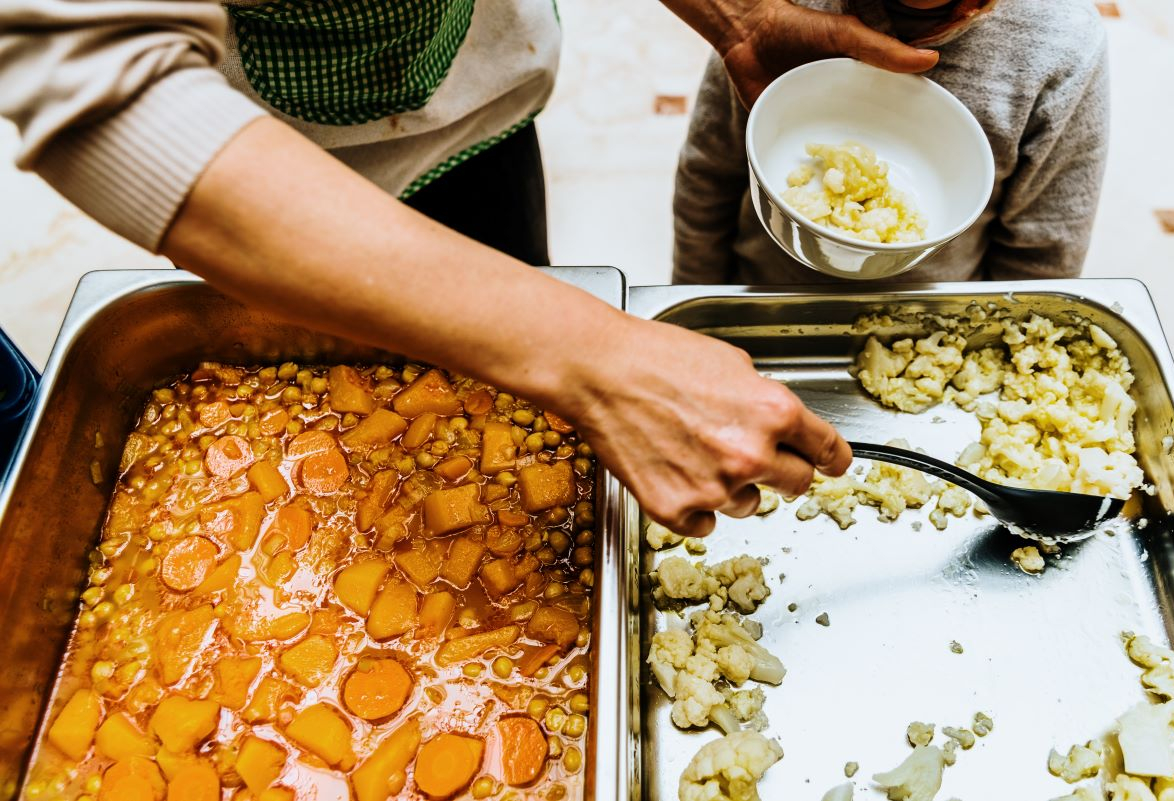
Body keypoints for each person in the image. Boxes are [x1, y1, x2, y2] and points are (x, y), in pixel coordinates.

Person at [0, 1, 937, 535]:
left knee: (499, 407)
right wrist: (592, 353)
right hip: (260, 167)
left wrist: (731, 16)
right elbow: (102, 74)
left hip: (480, 101)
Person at [673, 0, 1110, 285]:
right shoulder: (769, 7)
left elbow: (1044, 253)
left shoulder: (1063, 42)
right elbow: (708, 180)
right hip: (761, 294)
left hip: (932, 342)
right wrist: (694, 312)